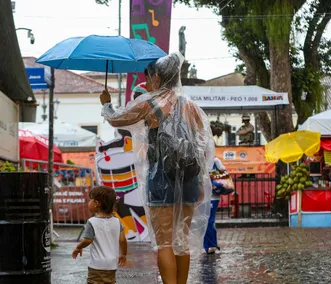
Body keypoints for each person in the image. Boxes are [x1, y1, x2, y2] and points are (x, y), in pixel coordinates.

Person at [99, 52, 214, 284]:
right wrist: (201, 180)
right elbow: (203, 146)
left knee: (165, 242)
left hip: (161, 178)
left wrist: (106, 104)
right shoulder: (191, 106)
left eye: (149, 78)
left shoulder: (151, 103)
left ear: (159, 78)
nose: (147, 83)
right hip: (190, 178)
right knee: (181, 241)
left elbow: (117, 119)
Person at [72, 186, 127, 284]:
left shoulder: (92, 222)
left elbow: (87, 240)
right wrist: (123, 254)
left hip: (97, 265)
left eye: (90, 200)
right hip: (112, 265)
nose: (89, 202)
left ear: (96, 203)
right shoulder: (117, 222)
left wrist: (78, 247)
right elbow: (122, 240)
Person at [203, 156, 225, 254]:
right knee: (203, 222)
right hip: (202, 196)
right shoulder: (199, 161)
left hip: (213, 196)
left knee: (209, 221)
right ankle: (206, 246)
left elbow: (224, 173)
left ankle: (212, 245)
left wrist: (211, 174)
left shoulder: (215, 161)